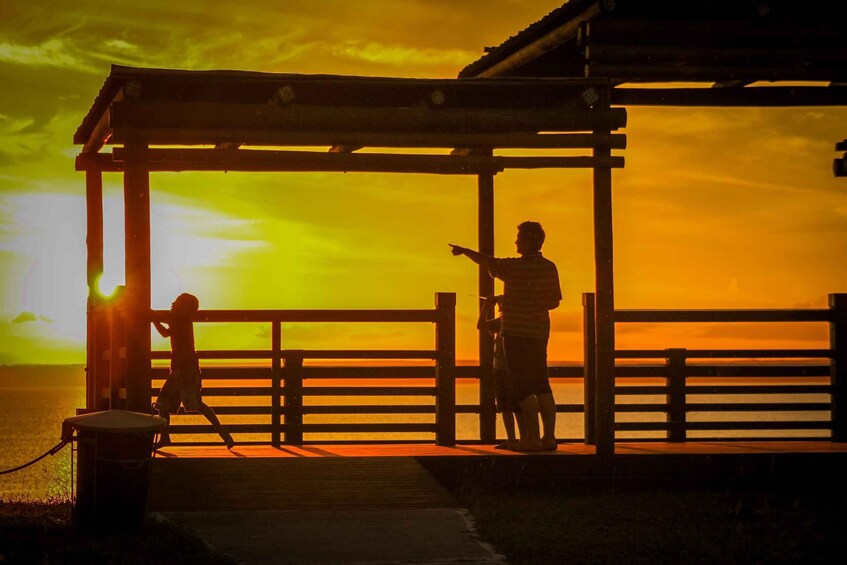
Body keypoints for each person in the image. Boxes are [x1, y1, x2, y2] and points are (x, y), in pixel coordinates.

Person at [450, 221, 562, 452]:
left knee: (521, 387)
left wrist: (465, 251)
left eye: (519, 238)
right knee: (542, 384)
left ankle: (529, 440)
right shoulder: (550, 267)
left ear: (530, 241)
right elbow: (554, 301)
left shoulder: (514, 268)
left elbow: (488, 261)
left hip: (516, 333)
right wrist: (533, 304)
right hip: (540, 332)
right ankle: (549, 438)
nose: (516, 242)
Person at [151, 293, 234, 450]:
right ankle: (165, 437)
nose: (172, 303)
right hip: (179, 369)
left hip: (185, 369)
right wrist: (153, 316)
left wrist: (152, 317)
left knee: (196, 404)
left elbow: (163, 332)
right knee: (163, 402)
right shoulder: (180, 319)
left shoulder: (181, 320)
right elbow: (165, 328)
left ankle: (223, 432)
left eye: (176, 302)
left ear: (184, 308)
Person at [477, 295, 524, 450]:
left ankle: (522, 438)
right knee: (504, 405)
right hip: (500, 368)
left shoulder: (512, 321)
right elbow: (481, 325)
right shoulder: (500, 322)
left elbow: (481, 325)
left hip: (512, 369)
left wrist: (487, 305)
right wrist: (487, 306)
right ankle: (512, 439)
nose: (500, 307)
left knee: (515, 404)